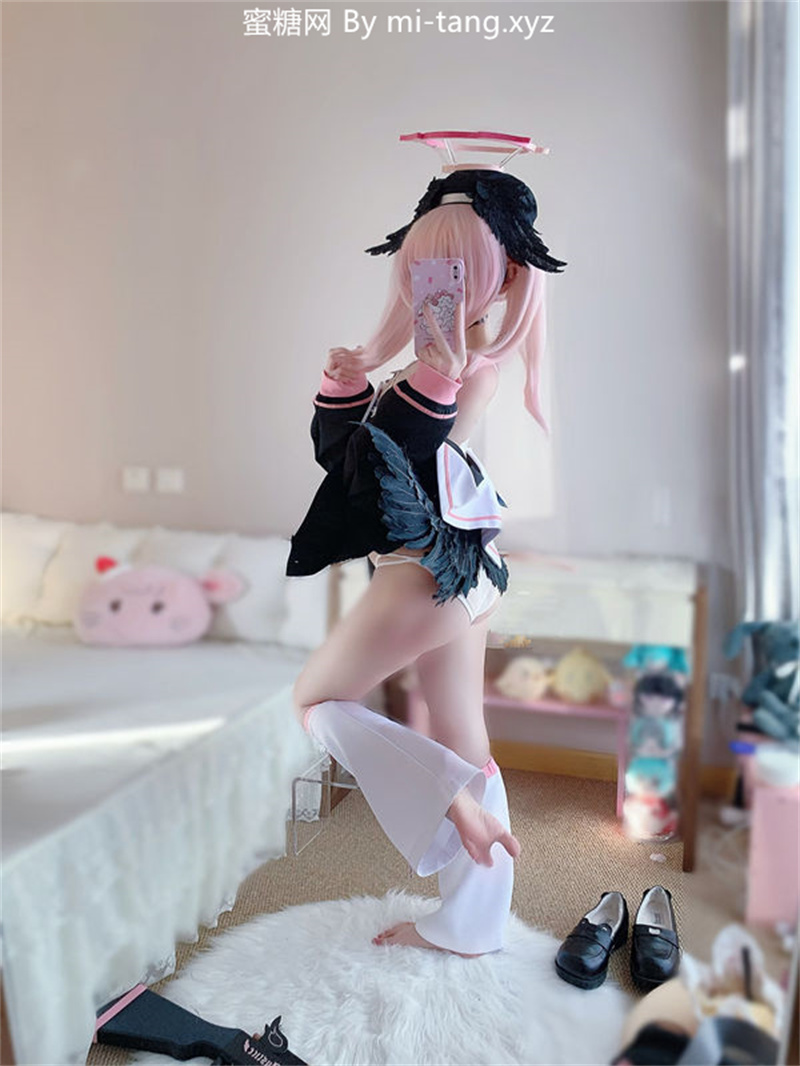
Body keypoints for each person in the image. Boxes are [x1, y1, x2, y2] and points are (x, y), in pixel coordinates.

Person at [286, 152, 565, 957]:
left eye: (455, 267)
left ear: (505, 274)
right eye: (424, 266)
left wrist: (424, 379)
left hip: (423, 568)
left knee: (314, 704)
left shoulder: (463, 368)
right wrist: (346, 382)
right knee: (461, 734)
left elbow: (390, 464)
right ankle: (472, 925)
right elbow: (346, 460)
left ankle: (454, 808)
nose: (433, 283)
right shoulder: (443, 360)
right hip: (463, 566)